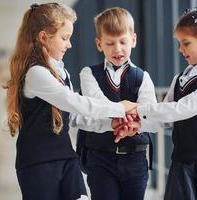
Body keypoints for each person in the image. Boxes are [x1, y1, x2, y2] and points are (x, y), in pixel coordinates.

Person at [5, 3, 136, 200]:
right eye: (64, 38)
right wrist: (118, 108)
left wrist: (110, 123)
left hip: (67, 158)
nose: (69, 44)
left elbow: (74, 116)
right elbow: (74, 102)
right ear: (43, 37)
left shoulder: (61, 72)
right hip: (38, 164)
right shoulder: (35, 73)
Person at [115, 5, 197, 200]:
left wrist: (137, 108)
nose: (180, 49)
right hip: (182, 162)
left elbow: (180, 110)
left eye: (186, 43)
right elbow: (165, 119)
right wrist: (138, 124)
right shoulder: (181, 77)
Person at [74, 7, 157, 200]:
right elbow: (97, 105)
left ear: (134, 40)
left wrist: (133, 127)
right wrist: (127, 114)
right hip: (100, 157)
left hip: (135, 158)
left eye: (123, 42)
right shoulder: (89, 74)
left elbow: (150, 115)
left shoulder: (143, 78)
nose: (117, 49)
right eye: (110, 43)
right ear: (99, 44)